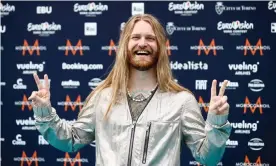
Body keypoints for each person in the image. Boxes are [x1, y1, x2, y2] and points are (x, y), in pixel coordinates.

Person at [28, 14, 232, 166]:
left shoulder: (182, 101)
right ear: (125, 45)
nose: (142, 43)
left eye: (150, 38)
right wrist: (44, 112)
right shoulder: (102, 97)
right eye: (135, 37)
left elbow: (209, 157)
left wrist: (216, 122)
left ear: (160, 47)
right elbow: (70, 140)